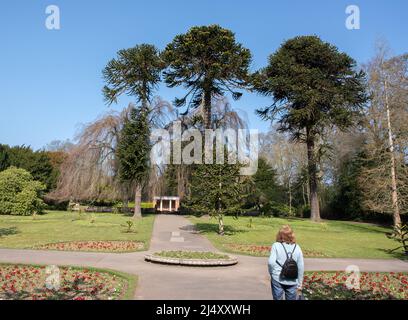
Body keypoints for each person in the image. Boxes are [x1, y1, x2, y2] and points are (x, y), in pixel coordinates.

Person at [268, 225, 304, 300]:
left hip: (277, 278)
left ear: (280, 235)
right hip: (293, 280)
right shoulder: (297, 247)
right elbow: (301, 266)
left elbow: (271, 263)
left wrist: (272, 273)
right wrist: (300, 283)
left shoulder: (276, 245)